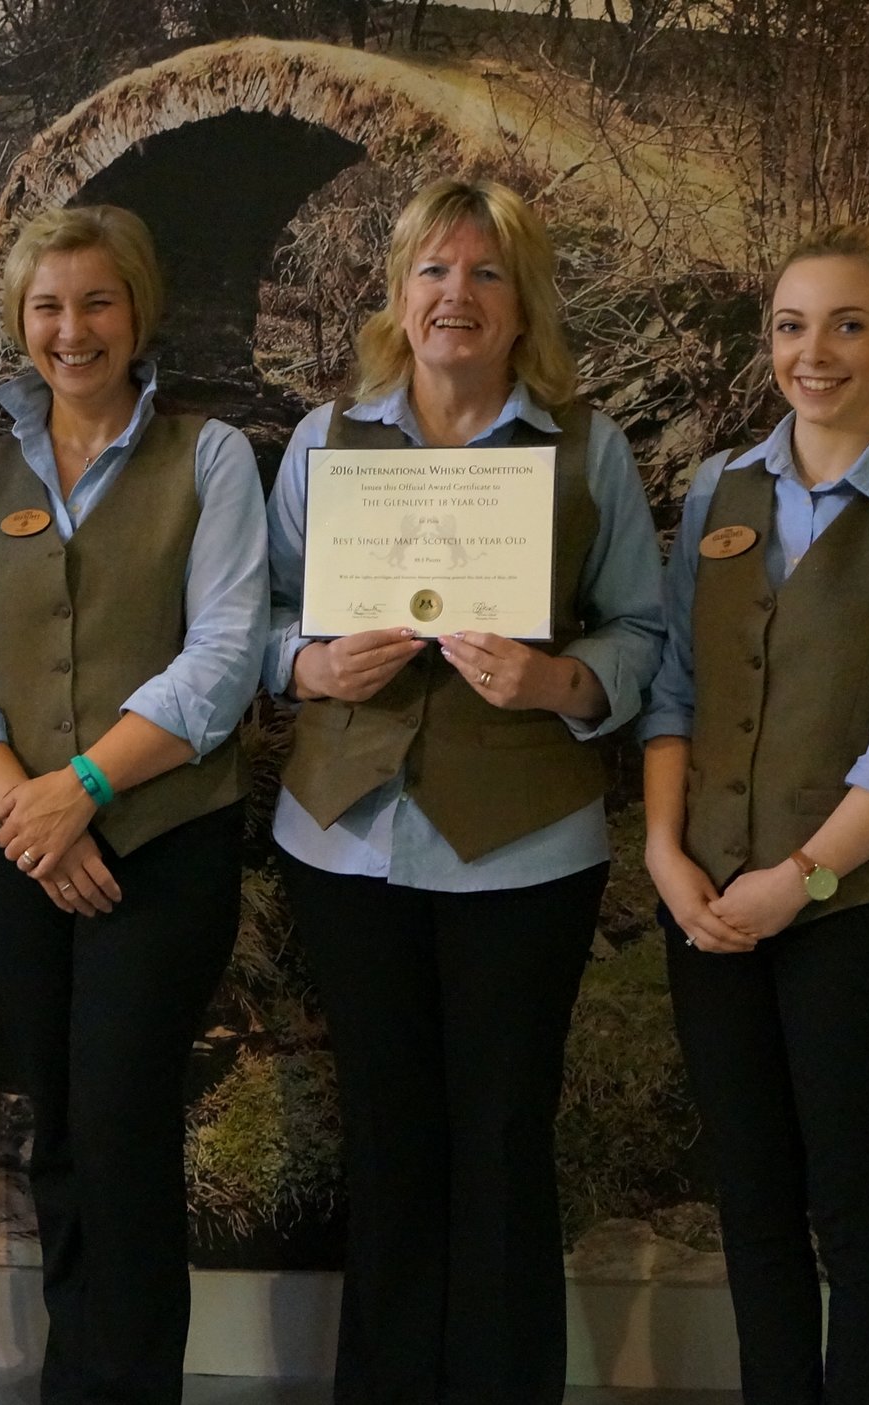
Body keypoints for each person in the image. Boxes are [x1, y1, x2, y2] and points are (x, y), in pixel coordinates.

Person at [262, 178, 665, 1405]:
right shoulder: (324, 441)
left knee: (499, 1144)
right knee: (386, 1140)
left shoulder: (585, 448)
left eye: (487, 274)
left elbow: (645, 634)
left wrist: (558, 678)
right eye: (435, 271)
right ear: (399, 291)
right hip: (346, 843)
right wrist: (310, 661)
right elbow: (258, 620)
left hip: (523, 854)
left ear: (522, 300)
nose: (457, 297)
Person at [0, 203, 268, 1405]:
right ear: (21, 319)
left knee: (120, 1129)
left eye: (97, 301)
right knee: (55, 1124)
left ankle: (131, 1387)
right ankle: (76, 1378)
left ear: (138, 312)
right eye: (49, 305)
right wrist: (21, 809)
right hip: (17, 847)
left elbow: (222, 655)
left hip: (159, 848)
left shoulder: (207, 457)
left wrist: (86, 787)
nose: (73, 329)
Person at [641, 225, 869, 1405]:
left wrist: (798, 877)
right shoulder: (717, 491)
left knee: (851, 1208)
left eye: (848, 324)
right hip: (706, 908)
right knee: (749, 1203)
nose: (815, 353)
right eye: (793, 325)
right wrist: (662, 850)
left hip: (854, 915)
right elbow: (675, 688)